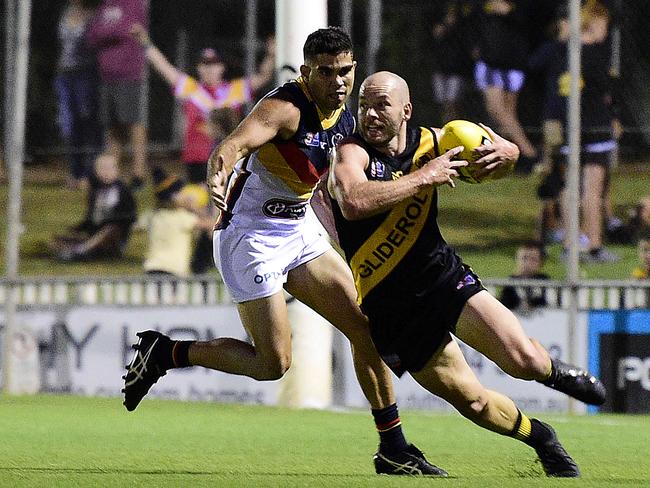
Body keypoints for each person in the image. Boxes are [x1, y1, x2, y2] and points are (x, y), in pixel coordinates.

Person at [123, 27, 444, 476]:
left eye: (346, 72)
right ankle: (166, 353)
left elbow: (324, 191)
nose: (339, 82)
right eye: (327, 72)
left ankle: (393, 446)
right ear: (308, 71)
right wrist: (218, 172)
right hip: (249, 238)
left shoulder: (347, 119)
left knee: (368, 328)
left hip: (298, 229)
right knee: (273, 364)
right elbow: (233, 144)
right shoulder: (284, 108)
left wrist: (347, 241)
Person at [328, 71, 606, 477]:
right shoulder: (350, 153)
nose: (369, 113)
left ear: (405, 110)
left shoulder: (435, 140)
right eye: (363, 105)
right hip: (391, 305)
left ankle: (556, 372)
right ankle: (541, 437)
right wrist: (425, 176)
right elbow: (352, 200)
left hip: (442, 277)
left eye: (380, 105)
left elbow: (499, 149)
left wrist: (509, 152)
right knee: (473, 403)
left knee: (523, 360)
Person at [529, 1, 620, 263]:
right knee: (592, 191)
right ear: (593, 24)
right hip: (596, 128)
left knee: (569, 187)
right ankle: (594, 245)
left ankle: (570, 245)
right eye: (604, 25)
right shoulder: (594, 54)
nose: (606, 30)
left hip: (572, 127)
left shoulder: (565, 52)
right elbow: (605, 90)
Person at [130, 23, 275, 185]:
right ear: (198, 68)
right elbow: (164, 68)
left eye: (213, 64)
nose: (209, 68)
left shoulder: (234, 90)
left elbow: (263, 76)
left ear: (222, 67)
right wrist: (145, 43)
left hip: (227, 156)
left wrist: (271, 55)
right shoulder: (191, 89)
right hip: (196, 158)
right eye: (204, 64)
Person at [86, 0, 149, 189]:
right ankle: (111, 174)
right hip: (106, 75)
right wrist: (107, 32)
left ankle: (138, 173)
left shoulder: (132, 4)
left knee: (133, 122)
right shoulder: (104, 5)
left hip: (128, 73)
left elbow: (127, 29)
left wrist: (104, 32)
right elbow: (90, 36)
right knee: (113, 126)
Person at [474, 0, 538, 174]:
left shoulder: (519, 8)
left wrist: (509, 11)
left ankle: (529, 154)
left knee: (505, 113)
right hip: (491, 61)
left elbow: (532, 21)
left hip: (511, 62)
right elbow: (475, 22)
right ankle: (513, 158)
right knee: (498, 111)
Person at [49, 153, 137, 261]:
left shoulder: (123, 191)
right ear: (96, 171)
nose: (106, 172)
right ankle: (80, 249)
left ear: (117, 170)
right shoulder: (95, 190)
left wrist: (111, 220)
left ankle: (80, 252)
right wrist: (78, 228)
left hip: (114, 238)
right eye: (102, 168)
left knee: (110, 229)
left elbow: (131, 217)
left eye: (110, 168)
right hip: (95, 235)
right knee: (59, 240)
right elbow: (91, 218)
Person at [54, 0, 102, 190]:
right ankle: (74, 172)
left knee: (87, 122)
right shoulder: (66, 12)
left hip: (86, 74)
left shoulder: (94, 14)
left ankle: (88, 174)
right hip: (64, 75)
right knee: (67, 125)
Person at [143, 167, 214, 278]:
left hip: (152, 267)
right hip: (173, 269)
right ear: (174, 197)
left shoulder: (154, 216)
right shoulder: (182, 218)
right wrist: (195, 208)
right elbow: (211, 225)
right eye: (182, 192)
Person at [498, 241, 550, 311]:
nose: (527, 263)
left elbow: (549, 304)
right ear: (517, 259)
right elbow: (504, 305)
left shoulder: (545, 281)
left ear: (541, 263)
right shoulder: (510, 283)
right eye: (524, 258)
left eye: (533, 259)